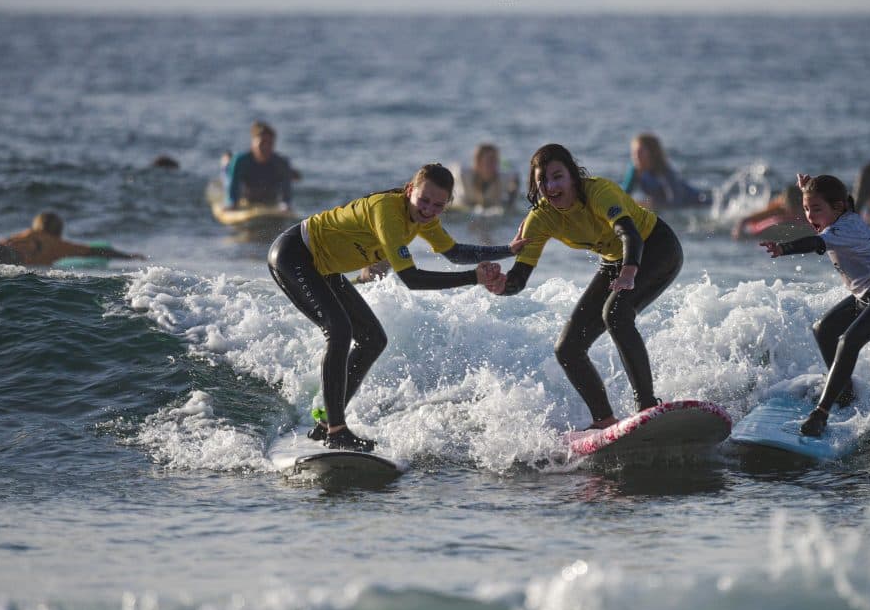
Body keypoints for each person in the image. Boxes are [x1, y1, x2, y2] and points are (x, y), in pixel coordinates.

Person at [267, 163, 523, 452]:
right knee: (338, 330)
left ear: (447, 204)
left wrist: (508, 250)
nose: (428, 210)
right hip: (295, 254)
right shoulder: (387, 212)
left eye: (438, 205)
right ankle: (337, 430)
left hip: (324, 268)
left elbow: (454, 253)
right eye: (424, 200)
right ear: (410, 190)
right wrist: (473, 278)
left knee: (373, 339)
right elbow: (411, 279)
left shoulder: (424, 220)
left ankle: (326, 424)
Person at [489, 143, 683, 430]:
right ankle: (604, 419)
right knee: (567, 348)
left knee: (616, 313)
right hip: (614, 261)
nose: (551, 185)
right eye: (542, 180)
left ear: (573, 177)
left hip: (655, 247)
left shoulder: (599, 192)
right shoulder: (541, 218)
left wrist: (629, 273)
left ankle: (647, 405)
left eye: (558, 176)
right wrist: (501, 285)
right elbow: (519, 277)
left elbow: (629, 234)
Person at [760, 174, 870, 436]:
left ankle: (822, 413)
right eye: (806, 208)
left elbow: (815, 242)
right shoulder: (842, 214)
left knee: (848, 341)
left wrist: (784, 249)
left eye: (816, 209)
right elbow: (826, 212)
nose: (809, 216)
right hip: (866, 295)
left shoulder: (845, 229)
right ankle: (845, 392)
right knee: (824, 330)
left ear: (839, 207)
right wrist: (807, 189)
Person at [0, 212, 145, 266]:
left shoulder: (29, 233)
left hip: (4, 251)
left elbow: (5, 242)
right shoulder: (60, 246)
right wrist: (129, 256)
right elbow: (97, 251)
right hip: (13, 259)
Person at [621, 133, 710, 209]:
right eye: (633, 152)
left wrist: (650, 205)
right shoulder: (635, 171)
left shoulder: (665, 171)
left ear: (651, 152)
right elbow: (622, 196)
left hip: (696, 201)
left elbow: (675, 202)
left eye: (640, 152)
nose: (636, 156)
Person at [224, 121, 300, 209]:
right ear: (253, 143)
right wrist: (232, 204)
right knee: (228, 170)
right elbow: (232, 195)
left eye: (270, 143)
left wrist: (285, 206)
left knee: (289, 172)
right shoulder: (240, 162)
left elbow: (286, 199)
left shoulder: (281, 163)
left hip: (268, 196)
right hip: (246, 196)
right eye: (262, 143)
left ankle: (291, 173)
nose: (266, 147)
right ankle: (227, 161)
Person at [451, 143, 519, 213]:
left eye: (496, 161)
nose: (494, 165)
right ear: (478, 163)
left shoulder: (502, 178)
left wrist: (511, 202)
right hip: (462, 207)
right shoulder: (464, 174)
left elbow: (515, 177)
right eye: (489, 161)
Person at [731, 183, 807, 239]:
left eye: (799, 209)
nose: (796, 213)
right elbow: (745, 220)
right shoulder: (778, 209)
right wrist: (738, 233)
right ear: (788, 207)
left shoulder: (808, 207)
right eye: (793, 210)